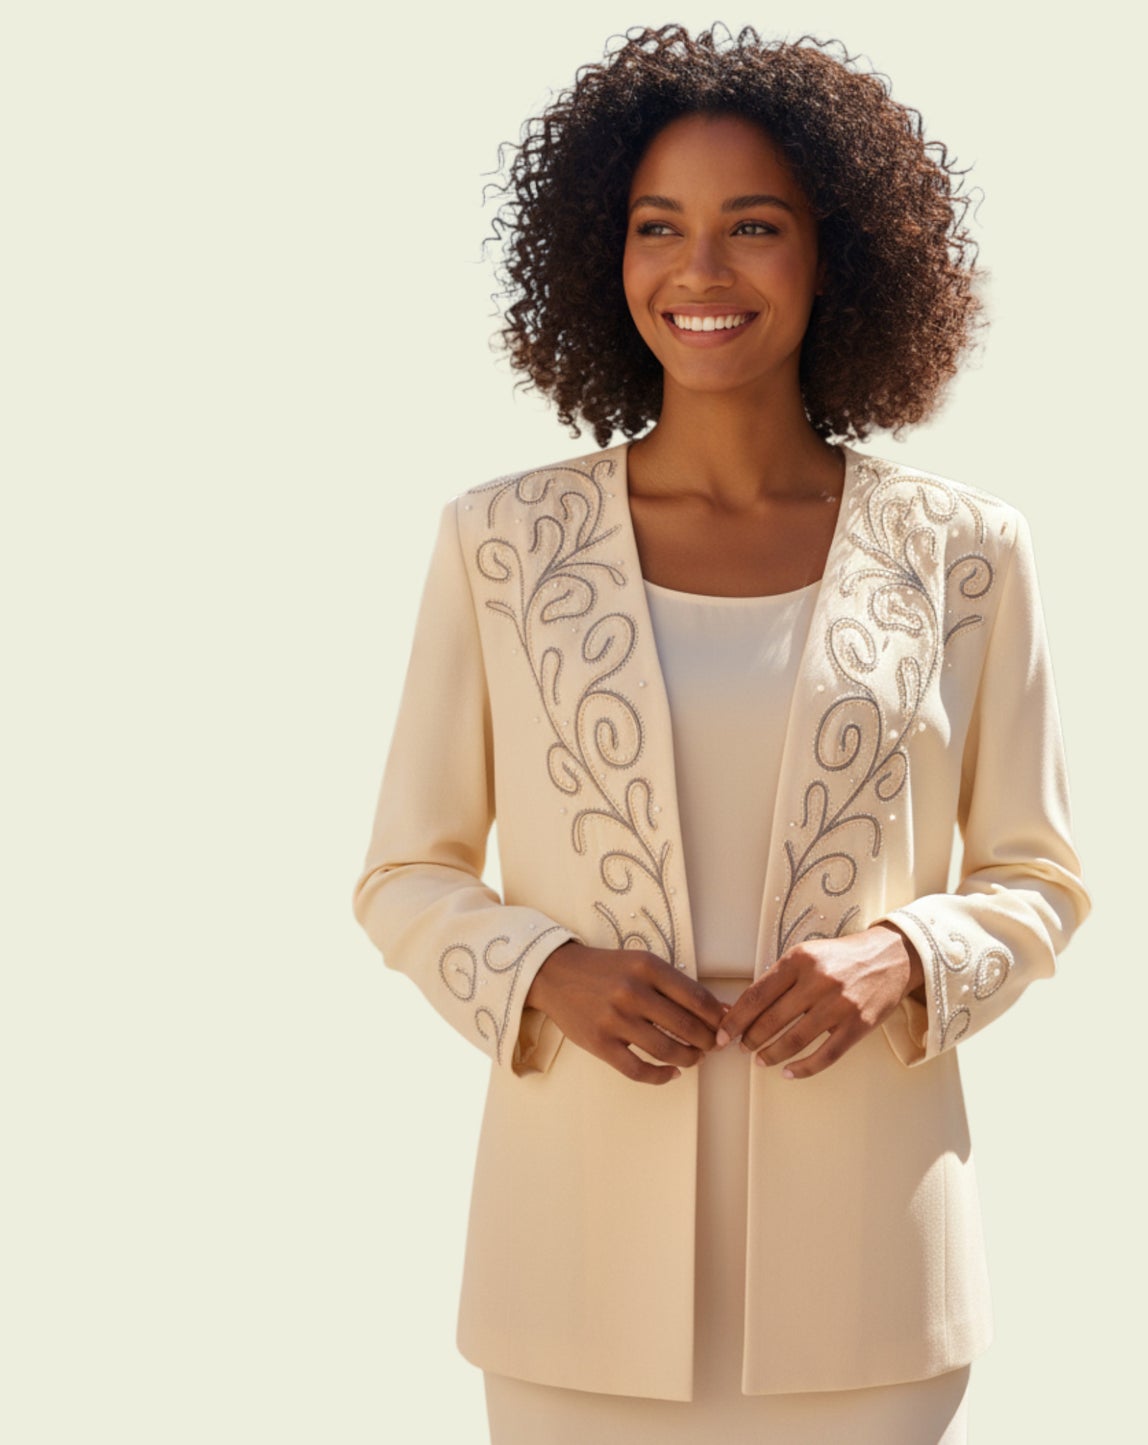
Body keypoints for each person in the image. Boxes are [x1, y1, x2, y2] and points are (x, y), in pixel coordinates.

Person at [352, 23, 1091, 1443]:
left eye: (754, 225)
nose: (700, 271)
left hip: (870, 1277)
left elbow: (1039, 878)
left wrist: (905, 954)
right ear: (604, 255)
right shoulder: (500, 543)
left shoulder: (964, 552)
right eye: (657, 227)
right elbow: (404, 872)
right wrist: (541, 967)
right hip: (571, 1275)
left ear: (839, 252)